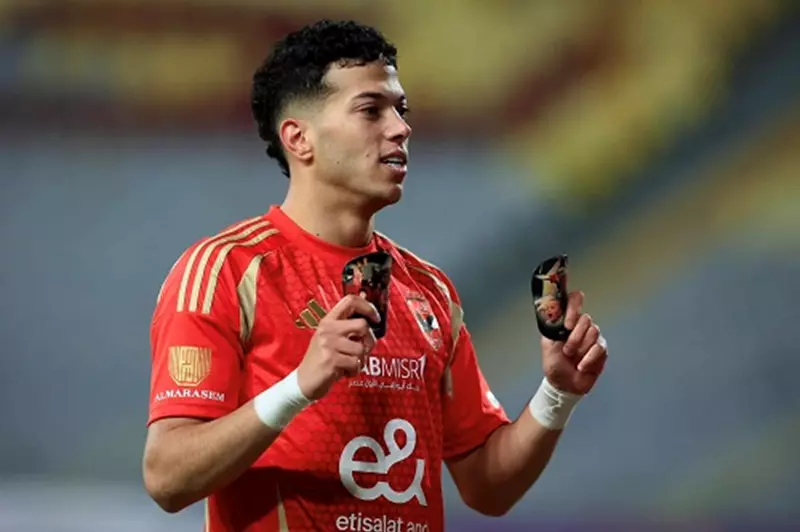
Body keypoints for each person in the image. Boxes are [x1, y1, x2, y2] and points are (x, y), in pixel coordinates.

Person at [143, 19, 608, 532]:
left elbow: (487, 485)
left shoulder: (429, 291)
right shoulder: (225, 271)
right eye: (371, 110)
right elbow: (167, 477)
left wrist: (557, 394)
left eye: (401, 110)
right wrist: (298, 387)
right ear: (299, 138)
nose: (400, 128)